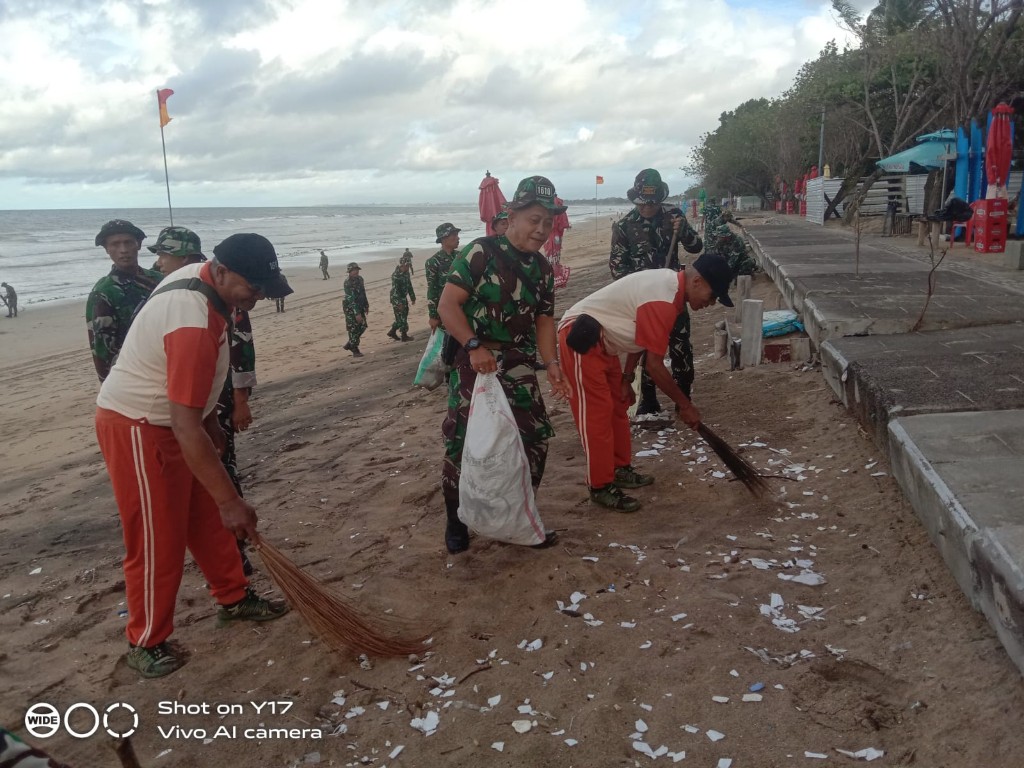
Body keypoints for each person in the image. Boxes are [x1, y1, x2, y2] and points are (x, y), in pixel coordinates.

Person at [94, 233, 292, 678]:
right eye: (253, 287)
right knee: (157, 536)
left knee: (207, 519)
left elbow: (190, 402)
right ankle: (145, 640)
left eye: (264, 287)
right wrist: (231, 500)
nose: (258, 297)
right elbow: (182, 423)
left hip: (178, 420)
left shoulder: (205, 281)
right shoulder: (192, 322)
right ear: (220, 271)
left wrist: (210, 422)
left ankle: (234, 598)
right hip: (140, 425)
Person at [437, 176, 572, 554]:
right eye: (534, 220)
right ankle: (455, 521)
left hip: (518, 361)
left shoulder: (542, 268)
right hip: (474, 361)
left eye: (548, 222)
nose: (541, 229)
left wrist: (552, 363)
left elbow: (544, 320)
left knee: (534, 438)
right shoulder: (480, 252)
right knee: (464, 440)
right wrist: (473, 345)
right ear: (511, 216)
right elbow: (447, 306)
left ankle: (519, 516)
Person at [558, 254, 734, 512]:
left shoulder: (671, 294)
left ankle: (619, 469)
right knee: (597, 416)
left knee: (618, 408)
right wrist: (684, 405)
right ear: (697, 281)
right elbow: (654, 365)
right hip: (581, 336)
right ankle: (600, 486)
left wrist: (626, 379)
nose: (711, 303)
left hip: (605, 342)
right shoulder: (663, 299)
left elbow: (642, 339)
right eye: (713, 295)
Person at [148, 226, 258, 575]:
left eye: (166, 255)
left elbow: (239, 350)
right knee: (170, 519)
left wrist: (232, 404)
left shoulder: (221, 297)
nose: (160, 262)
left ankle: (234, 576)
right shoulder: (187, 303)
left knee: (217, 488)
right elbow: (184, 420)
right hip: (160, 416)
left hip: (202, 407)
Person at [610, 169, 704, 415]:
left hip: (674, 296)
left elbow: (696, 247)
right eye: (641, 203)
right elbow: (618, 270)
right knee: (645, 350)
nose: (646, 208)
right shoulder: (624, 226)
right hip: (644, 302)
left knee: (680, 347)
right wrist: (637, 293)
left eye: (651, 203)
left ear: (660, 200)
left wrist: (684, 230)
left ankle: (683, 397)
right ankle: (648, 399)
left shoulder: (674, 217)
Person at [86, 220, 163, 382]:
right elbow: (102, 351)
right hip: (134, 375)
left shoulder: (159, 280)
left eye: (128, 242)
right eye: (115, 244)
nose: (123, 250)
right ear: (107, 249)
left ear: (138, 244)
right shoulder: (104, 292)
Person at [425, 223, 461, 332]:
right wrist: (433, 316)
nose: (458, 238)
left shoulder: (462, 256)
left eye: (457, 235)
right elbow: (432, 289)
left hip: (465, 307)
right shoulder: (433, 262)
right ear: (443, 238)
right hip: (447, 310)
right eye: (454, 235)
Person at [342, 262, 369, 357]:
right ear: (349, 272)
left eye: (357, 270)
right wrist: (357, 313)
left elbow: (363, 292)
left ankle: (350, 343)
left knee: (363, 326)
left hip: (360, 305)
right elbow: (351, 299)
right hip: (350, 308)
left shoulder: (360, 279)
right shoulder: (347, 282)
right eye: (353, 270)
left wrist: (366, 305)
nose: (356, 272)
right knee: (353, 328)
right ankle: (354, 348)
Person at [387, 256, 416, 341]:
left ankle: (393, 332)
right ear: (401, 265)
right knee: (401, 317)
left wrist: (412, 297)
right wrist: (398, 303)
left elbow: (409, 285)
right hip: (396, 298)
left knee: (404, 316)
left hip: (403, 297)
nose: (408, 267)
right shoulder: (396, 275)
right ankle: (403, 335)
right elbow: (395, 290)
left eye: (408, 265)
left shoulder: (406, 273)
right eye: (406, 266)